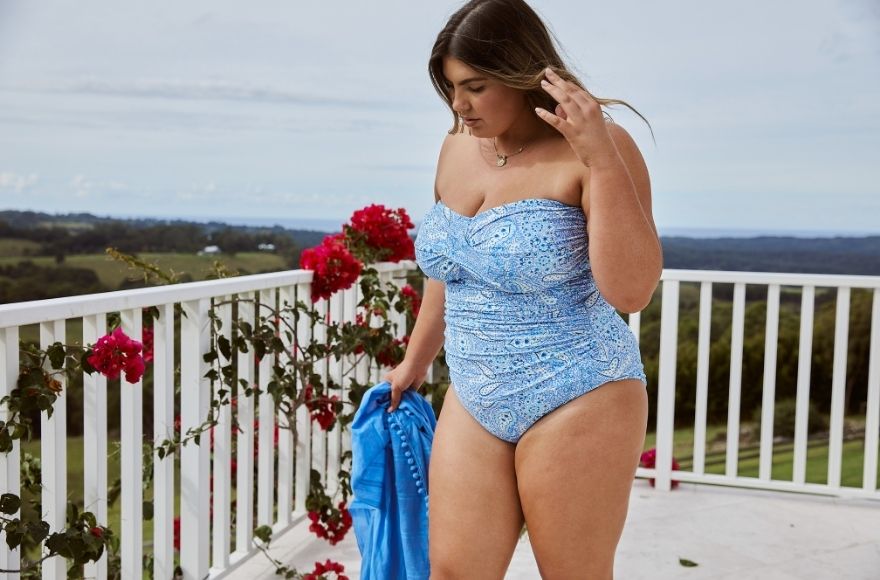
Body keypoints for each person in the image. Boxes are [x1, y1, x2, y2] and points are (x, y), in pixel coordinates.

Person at [383, 0, 663, 577]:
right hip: (474, 392)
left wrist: (601, 160)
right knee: (453, 572)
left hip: (580, 391)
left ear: (522, 73)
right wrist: (416, 360)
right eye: (451, 87)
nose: (459, 105)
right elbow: (452, 265)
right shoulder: (457, 146)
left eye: (475, 87)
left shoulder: (602, 149)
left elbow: (631, 291)